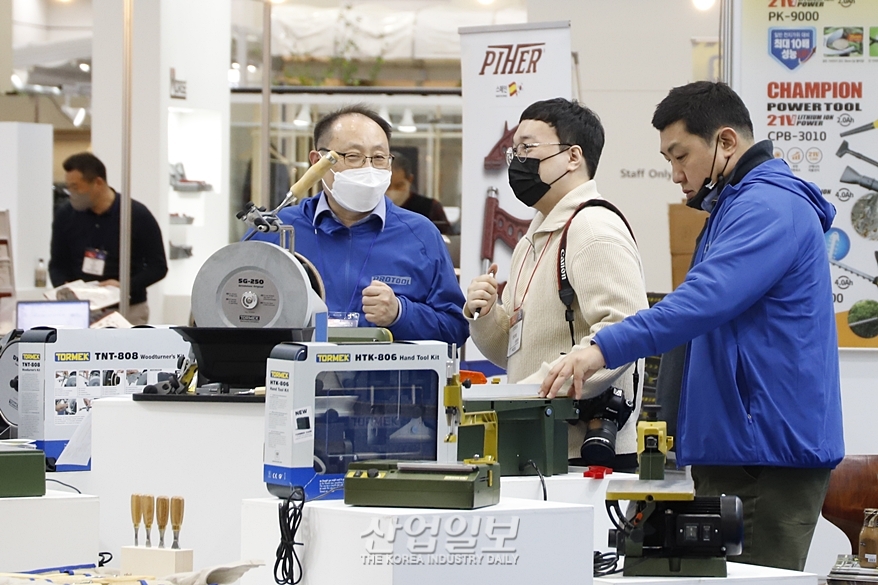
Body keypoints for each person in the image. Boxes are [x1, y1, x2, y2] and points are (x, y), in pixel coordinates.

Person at [539, 81, 844, 571]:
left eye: (681, 156)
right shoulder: (733, 207)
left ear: (725, 142)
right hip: (740, 447)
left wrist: (602, 347)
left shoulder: (768, 207)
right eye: (668, 159)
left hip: (765, 453)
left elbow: (700, 304)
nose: (676, 174)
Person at [464, 98, 649, 471]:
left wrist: (534, 390)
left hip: (585, 452)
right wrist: (485, 317)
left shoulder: (593, 228)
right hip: (539, 440)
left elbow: (626, 331)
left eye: (528, 147)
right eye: (514, 150)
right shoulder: (534, 237)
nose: (517, 160)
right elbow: (511, 352)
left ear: (572, 156)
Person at [247, 105, 468, 347]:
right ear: (317, 162)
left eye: (379, 158)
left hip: (388, 383)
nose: (368, 169)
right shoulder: (276, 232)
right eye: (353, 156)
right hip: (296, 379)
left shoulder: (420, 235)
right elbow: (237, 316)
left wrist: (401, 314)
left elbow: (455, 329)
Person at [50, 153, 168, 326]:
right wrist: (64, 288)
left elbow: (158, 267)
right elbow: (57, 264)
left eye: (76, 187)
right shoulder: (65, 216)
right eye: (69, 187)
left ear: (98, 183)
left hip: (127, 309)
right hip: (81, 310)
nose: (72, 194)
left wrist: (124, 285)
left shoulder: (136, 215)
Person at [386, 152, 452, 234]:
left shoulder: (431, 208)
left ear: (410, 179)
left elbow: (446, 239)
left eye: (399, 185)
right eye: (387, 186)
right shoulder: (372, 209)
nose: (392, 191)